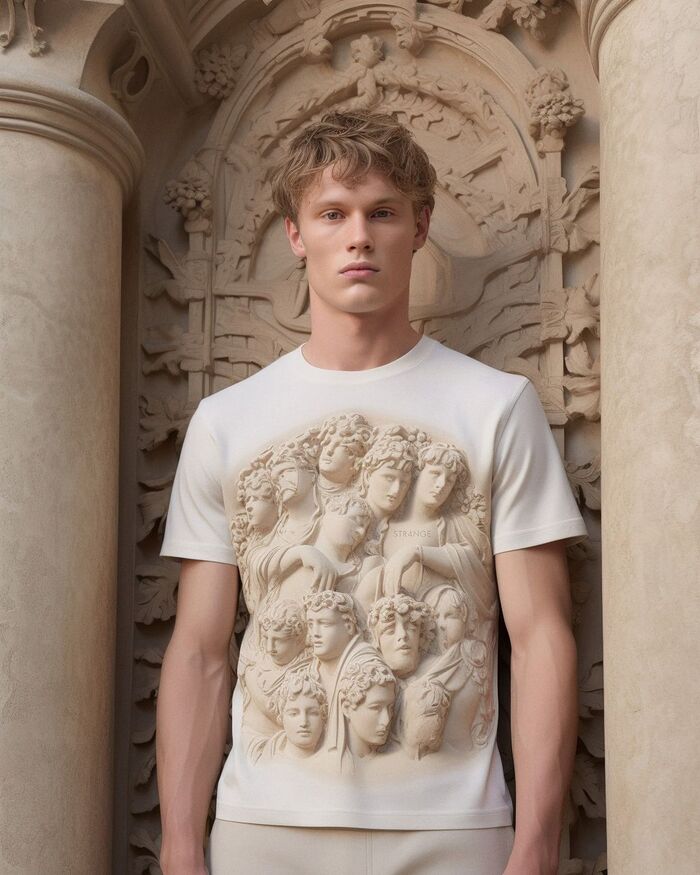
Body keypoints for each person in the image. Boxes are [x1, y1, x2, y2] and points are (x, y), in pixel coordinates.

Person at [157, 109, 587, 875]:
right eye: (333, 213)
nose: (358, 236)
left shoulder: (496, 407)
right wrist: (183, 844)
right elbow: (198, 650)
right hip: (264, 832)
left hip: (455, 834)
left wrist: (538, 845)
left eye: (382, 212)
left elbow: (541, 637)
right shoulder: (227, 422)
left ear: (419, 227)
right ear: (296, 234)